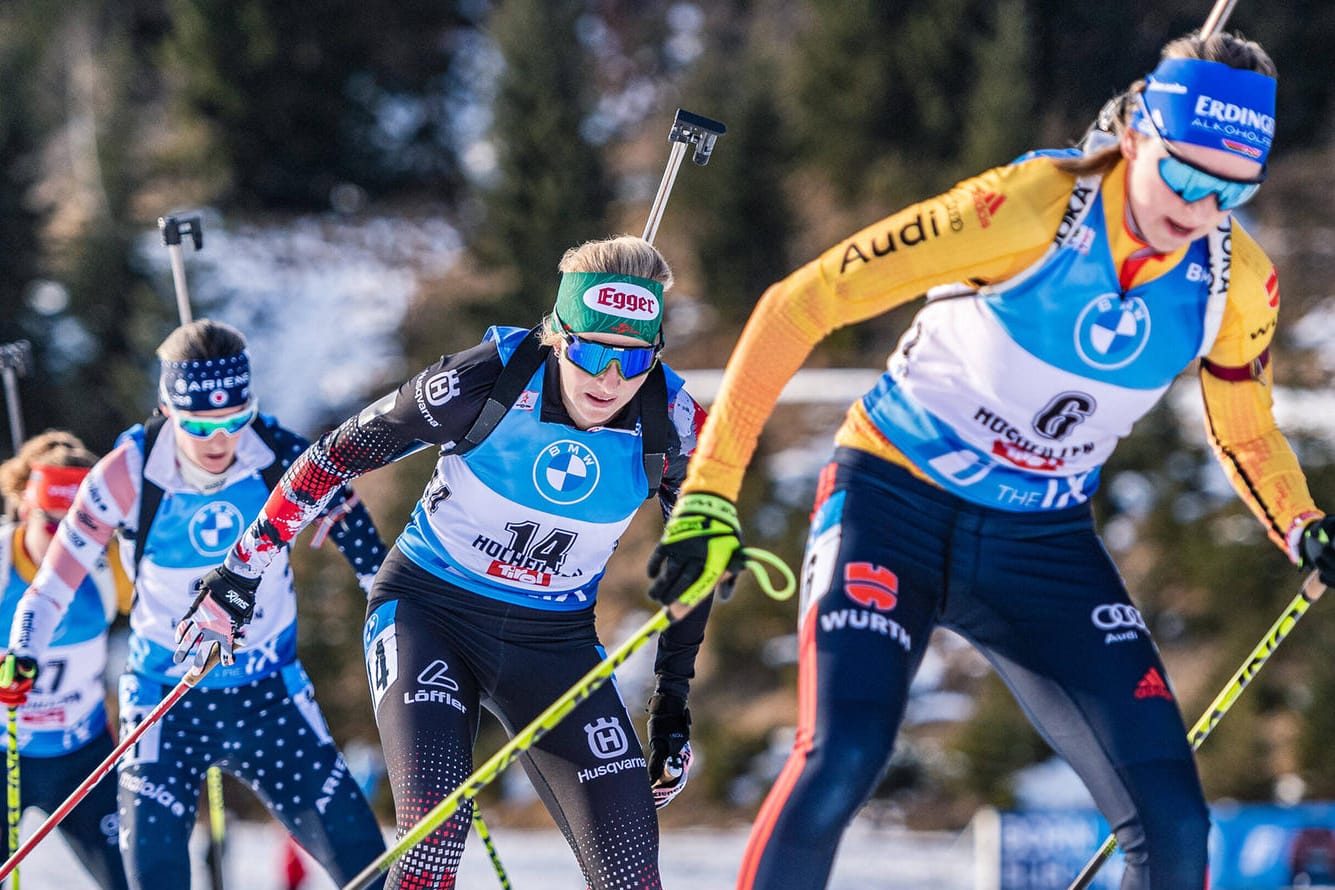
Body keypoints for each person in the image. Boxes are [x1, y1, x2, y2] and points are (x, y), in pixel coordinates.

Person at [645, 31, 1335, 890]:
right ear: (1133, 134)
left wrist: (1300, 523)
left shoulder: (1235, 283)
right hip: (891, 500)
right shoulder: (1027, 207)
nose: (1195, 208)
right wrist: (708, 494)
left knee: (1172, 820)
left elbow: (1244, 423)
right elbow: (800, 303)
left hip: (1039, 542)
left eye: (1229, 190)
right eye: (1182, 173)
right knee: (842, 754)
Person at [177, 235, 714, 889]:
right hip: (430, 611)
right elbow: (332, 457)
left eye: (632, 362)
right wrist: (239, 574)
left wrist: (672, 708)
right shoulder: (479, 380)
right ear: (556, 336)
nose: (608, 380)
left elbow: (697, 569)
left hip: (554, 644)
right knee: (433, 839)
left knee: (632, 873)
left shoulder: (677, 424)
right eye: (591, 352)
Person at [2, 320, 390, 889]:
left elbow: (368, 558)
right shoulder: (125, 474)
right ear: (167, 408)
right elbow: (51, 587)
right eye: (199, 425)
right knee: (153, 877)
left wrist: (402, 616)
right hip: (165, 702)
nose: (219, 440)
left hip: (269, 696)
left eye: (235, 419)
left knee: (369, 866)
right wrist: (23, 651)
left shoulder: (281, 456)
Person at [0, 431, 130, 889]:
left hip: (83, 760)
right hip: (5, 756)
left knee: (132, 879)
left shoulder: (109, 565)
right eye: (51, 523)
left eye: (78, 528)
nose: (64, 545)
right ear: (24, 508)